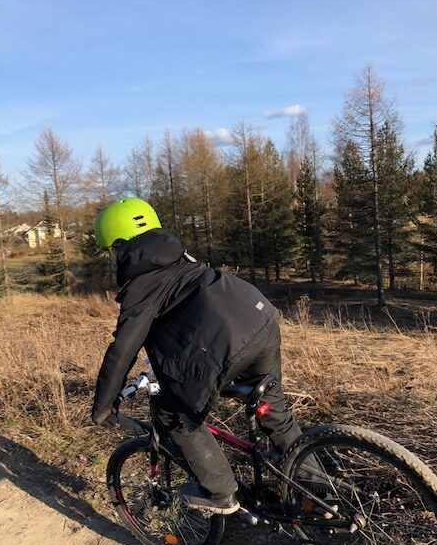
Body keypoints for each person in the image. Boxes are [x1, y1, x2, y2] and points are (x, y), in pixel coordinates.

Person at [91, 197, 303, 515]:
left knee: (172, 413)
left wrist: (103, 406)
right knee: (274, 413)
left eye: (111, 251)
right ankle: (322, 495)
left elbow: (123, 348)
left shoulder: (141, 284)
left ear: (120, 247)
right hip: (260, 317)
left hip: (227, 341)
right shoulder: (180, 257)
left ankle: (219, 492)